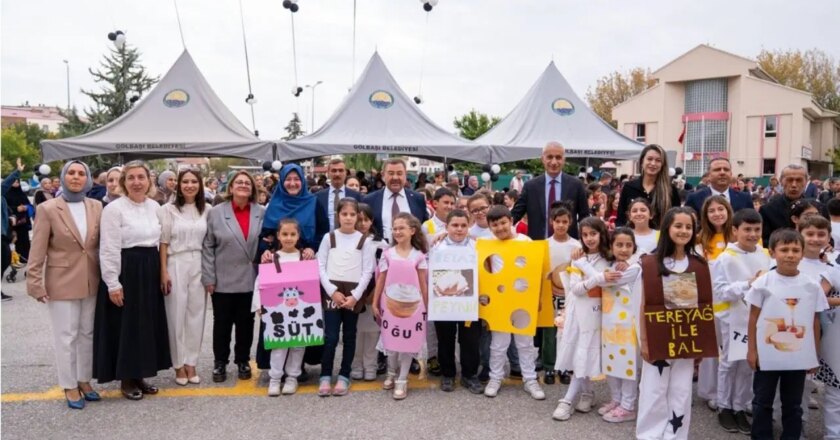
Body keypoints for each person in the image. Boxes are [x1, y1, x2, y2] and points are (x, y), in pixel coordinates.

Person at [27, 160, 102, 409]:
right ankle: (69, 385)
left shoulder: (96, 206)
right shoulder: (48, 209)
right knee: (66, 335)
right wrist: (35, 282)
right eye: (71, 173)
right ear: (63, 176)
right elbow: (37, 250)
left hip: (92, 278)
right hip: (61, 281)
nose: (76, 177)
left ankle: (84, 379)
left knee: (86, 334)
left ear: (88, 179)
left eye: (82, 173)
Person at [95, 161, 171, 400]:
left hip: (149, 267)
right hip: (126, 268)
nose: (137, 182)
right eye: (131, 178)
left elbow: (160, 243)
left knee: (145, 324)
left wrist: (162, 272)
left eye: (141, 177)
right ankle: (127, 378)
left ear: (149, 180)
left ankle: (141, 374)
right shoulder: (114, 209)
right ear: (123, 182)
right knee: (126, 325)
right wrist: (113, 283)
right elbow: (108, 247)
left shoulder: (155, 207)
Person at [635, 207, 711, 440]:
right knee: (653, 390)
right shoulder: (649, 263)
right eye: (678, 225)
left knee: (681, 390)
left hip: (685, 341)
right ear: (667, 228)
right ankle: (649, 435)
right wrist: (645, 343)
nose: (684, 231)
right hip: (658, 340)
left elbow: (703, 306)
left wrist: (700, 344)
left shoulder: (698, 264)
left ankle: (675, 435)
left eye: (689, 226)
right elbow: (642, 305)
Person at [746, 228, 828, 440]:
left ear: (802, 253)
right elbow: (753, 318)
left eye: (795, 250)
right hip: (767, 355)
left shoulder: (812, 286)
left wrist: (814, 354)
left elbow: (815, 321)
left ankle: (791, 436)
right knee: (762, 401)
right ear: (773, 252)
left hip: (798, 357)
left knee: (793, 404)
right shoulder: (763, 283)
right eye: (784, 249)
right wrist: (752, 351)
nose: (790, 254)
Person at [202, 170, 265, 383]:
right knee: (222, 323)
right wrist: (209, 277)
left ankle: (242, 360)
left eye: (247, 183)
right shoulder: (216, 212)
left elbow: (266, 240)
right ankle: (220, 362)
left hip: (249, 276)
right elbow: (208, 245)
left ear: (253, 189)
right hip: (223, 277)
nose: (243, 186)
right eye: (239, 182)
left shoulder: (261, 211)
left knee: (246, 323)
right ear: (230, 187)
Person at [710, 209, 769, 434]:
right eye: (747, 229)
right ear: (735, 231)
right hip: (732, 318)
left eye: (757, 229)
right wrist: (748, 284)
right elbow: (721, 291)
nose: (752, 234)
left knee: (748, 364)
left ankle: (740, 406)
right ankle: (724, 405)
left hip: (756, 319)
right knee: (728, 363)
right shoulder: (725, 258)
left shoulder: (765, 255)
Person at [480, 205, 545, 401]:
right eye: (495, 225)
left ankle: (530, 379)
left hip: (523, 299)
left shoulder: (526, 241)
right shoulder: (487, 244)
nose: (500, 228)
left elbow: (537, 271)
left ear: (511, 221)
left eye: (503, 223)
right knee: (499, 343)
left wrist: (538, 298)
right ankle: (495, 377)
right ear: (490, 227)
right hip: (501, 299)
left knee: (525, 343)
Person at [316, 198, 375, 396]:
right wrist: (332, 290)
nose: (348, 218)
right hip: (332, 291)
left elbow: (368, 271)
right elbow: (320, 266)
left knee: (350, 336)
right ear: (338, 215)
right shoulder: (329, 238)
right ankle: (325, 375)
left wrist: (356, 296)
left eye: (352, 214)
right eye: (344, 214)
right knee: (331, 337)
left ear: (357, 215)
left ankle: (344, 375)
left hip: (353, 294)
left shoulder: (364, 241)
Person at [553, 217, 609, 421]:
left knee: (584, 351)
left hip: (595, 313)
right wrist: (597, 278)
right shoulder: (578, 257)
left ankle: (567, 400)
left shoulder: (607, 259)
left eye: (593, 234)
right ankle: (587, 392)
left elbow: (606, 287)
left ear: (601, 234)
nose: (589, 238)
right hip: (576, 312)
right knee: (578, 350)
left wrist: (593, 277)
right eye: (585, 235)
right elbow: (576, 288)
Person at [158, 169, 208, 386]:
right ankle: (178, 364)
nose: (189, 185)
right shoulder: (167, 210)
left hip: (199, 262)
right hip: (175, 261)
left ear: (200, 185)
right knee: (176, 315)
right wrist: (163, 270)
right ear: (178, 185)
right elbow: (163, 242)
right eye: (185, 181)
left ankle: (192, 362)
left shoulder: (207, 210)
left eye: (193, 181)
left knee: (196, 315)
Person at [371, 212, 428, 400]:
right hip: (390, 304)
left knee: (407, 343)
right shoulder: (388, 254)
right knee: (392, 341)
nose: (397, 231)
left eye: (401, 228)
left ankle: (402, 379)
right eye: (394, 228)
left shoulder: (419, 256)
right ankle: (391, 372)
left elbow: (423, 283)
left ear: (412, 231)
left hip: (414, 307)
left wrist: (427, 307)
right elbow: (381, 279)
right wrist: (375, 302)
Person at [431, 209, 484, 394]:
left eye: (463, 225)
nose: (459, 229)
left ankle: (469, 375)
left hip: (469, 302)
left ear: (468, 226)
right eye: (454, 225)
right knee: (445, 338)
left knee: (470, 340)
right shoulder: (436, 246)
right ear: (446, 227)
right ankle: (448, 374)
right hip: (443, 303)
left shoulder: (477, 245)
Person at [593, 227, 642, 423]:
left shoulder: (635, 268)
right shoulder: (611, 265)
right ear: (611, 247)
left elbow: (605, 282)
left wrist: (599, 276)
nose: (624, 249)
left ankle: (628, 406)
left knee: (628, 365)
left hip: (628, 327)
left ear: (634, 248)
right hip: (609, 323)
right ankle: (617, 399)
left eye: (628, 245)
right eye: (619, 245)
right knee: (611, 364)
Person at [254, 218, 307, 396]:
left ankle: (292, 377)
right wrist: (259, 305)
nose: (289, 238)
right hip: (277, 311)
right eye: (285, 234)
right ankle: (275, 378)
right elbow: (260, 283)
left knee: (298, 345)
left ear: (299, 235)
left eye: (293, 234)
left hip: (300, 310)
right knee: (279, 344)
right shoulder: (271, 258)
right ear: (278, 235)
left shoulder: (304, 258)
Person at [511, 142, 589, 240]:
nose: (554, 162)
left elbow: (584, 216)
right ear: (542, 159)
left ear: (564, 160)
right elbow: (515, 215)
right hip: (538, 245)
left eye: (558, 157)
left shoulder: (576, 185)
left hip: (568, 248)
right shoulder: (530, 186)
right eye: (550, 157)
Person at [543, 204, 581, 385]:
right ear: (551, 223)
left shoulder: (577, 245)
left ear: (570, 223)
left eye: (564, 222)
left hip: (570, 295)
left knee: (566, 331)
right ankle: (549, 366)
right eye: (557, 221)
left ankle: (564, 367)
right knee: (549, 332)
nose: (560, 225)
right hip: (550, 293)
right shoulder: (544, 245)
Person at [349, 203, 386, 382]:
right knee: (355, 332)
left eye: (366, 219)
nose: (363, 223)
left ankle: (370, 365)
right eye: (359, 219)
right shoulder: (347, 241)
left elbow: (385, 271)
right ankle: (356, 364)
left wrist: (375, 294)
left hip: (374, 294)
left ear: (372, 221)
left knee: (372, 332)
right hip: (354, 295)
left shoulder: (380, 244)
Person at [362, 159, 429, 244]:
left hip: (411, 253)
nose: (395, 177)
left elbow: (425, 226)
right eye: (391, 173)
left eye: (399, 173)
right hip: (379, 253)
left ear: (405, 175)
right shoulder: (369, 200)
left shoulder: (417, 199)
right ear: (383, 175)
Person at [616, 144, 680, 229]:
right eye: (649, 159)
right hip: (633, 239)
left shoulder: (670, 190)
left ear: (662, 165)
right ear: (642, 161)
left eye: (658, 160)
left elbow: (676, 219)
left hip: (660, 240)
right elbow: (621, 219)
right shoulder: (629, 187)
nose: (653, 163)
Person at [315, 159, 362, 246]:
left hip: (350, 243)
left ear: (346, 173)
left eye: (340, 170)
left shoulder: (356, 196)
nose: (337, 174)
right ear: (328, 173)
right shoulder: (318, 197)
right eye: (334, 171)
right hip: (325, 243)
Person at [760, 164, 809, 245]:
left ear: (806, 182)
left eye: (799, 180)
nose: (794, 185)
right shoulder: (767, 210)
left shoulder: (817, 209)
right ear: (781, 181)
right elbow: (764, 240)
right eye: (789, 180)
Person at [685, 158, 752, 214]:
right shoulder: (694, 198)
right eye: (717, 170)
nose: (722, 172)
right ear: (708, 176)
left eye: (726, 170)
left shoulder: (745, 198)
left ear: (731, 174)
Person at [2, 158, 24, 302]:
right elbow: (6, 184)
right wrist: (17, 172)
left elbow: (5, 184)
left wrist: (18, 172)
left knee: (5, 259)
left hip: (2, 233)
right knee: (4, 258)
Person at [5, 173, 33, 261]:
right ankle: (14, 261)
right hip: (12, 224)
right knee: (13, 243)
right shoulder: (5, 194)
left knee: (24, 243)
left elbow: (30, 205)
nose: (16, 182)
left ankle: (25, 260)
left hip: (23, 222)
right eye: (14, 181)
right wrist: (16, 208)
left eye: (18, 181)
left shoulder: (22, 193)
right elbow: (4, 207)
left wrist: (26, 207)